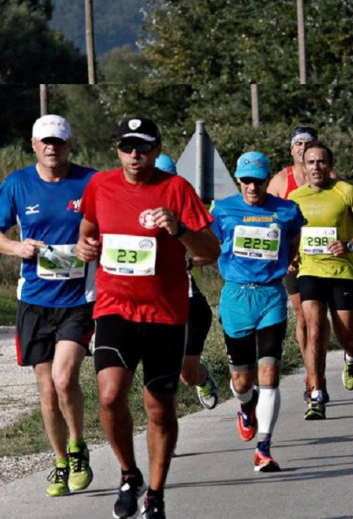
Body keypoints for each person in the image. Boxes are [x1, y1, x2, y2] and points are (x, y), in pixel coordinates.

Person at [76, 117, 220, 519]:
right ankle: (128, 474)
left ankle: (155, 495)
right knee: (109, 395)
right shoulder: (100, 185)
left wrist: (178, 230)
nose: (134, 155)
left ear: (156, 150)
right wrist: (84, 245)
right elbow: (87, 228)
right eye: (127, 147)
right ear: (118, 150)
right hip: (114, 308)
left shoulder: (176, 189)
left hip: (164, 314)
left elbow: (212, 247)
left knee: (159, 408)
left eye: (142, 147)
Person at [0, 115, 95, 497]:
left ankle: (77, 447)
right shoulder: (17, 184)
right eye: (45, 142)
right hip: (34, 300)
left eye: (58, 141)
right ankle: (58, 461)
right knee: (45, 388)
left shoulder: (90, 182)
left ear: (69, 145)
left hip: (78, 300)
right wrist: (15, 247)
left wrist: (95, 247)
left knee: (64, 378)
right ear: (34, 145)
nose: (52, 148)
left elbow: (111, 228)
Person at [210, 151, 303, 472]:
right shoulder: (222, 210)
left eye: (258, 181)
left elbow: (294, 239)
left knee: (269, 373)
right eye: (246, 181)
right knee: (241, 381)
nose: (252, 187)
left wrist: (290, 260)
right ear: (238, 180)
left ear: (267, 180)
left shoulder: (287, 210)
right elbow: (210, 246)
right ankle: (246, 406)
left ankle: (264, 446)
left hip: (271, 297)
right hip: (236, 297)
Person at [288, 141, 353, 420]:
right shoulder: (295, 197)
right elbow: (288, 233)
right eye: (311, 162)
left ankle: (352, 357)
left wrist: (350, 245)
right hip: (310, 270)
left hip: (341, 272)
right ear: (303, 167)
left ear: (329, 165)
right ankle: (316, 392)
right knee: (314, 328)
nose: (316, 167)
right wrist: (290, 256)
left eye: (321, 162)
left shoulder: (345, 191)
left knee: (344, 336)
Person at [268, 126, 338, 403]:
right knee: (302, 317)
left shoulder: (330, 178)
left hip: (324, 261)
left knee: (318, 320)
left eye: (308, 143)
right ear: (292, 150)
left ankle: (317, 370)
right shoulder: (281, 180)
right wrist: (283, 254)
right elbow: (269, 218)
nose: (302, 147)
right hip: (294, 260)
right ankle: (311, 375)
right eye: (298, 143)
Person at [155, 153, 218, 410]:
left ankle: (202, 376)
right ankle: (162, 436)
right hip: (152, 302)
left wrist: (189, 261)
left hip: (189, 304)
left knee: (187, 375)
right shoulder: (135, 212)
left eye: (166, 181)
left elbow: (212, 250)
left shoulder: (183, 210)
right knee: (161, 373)